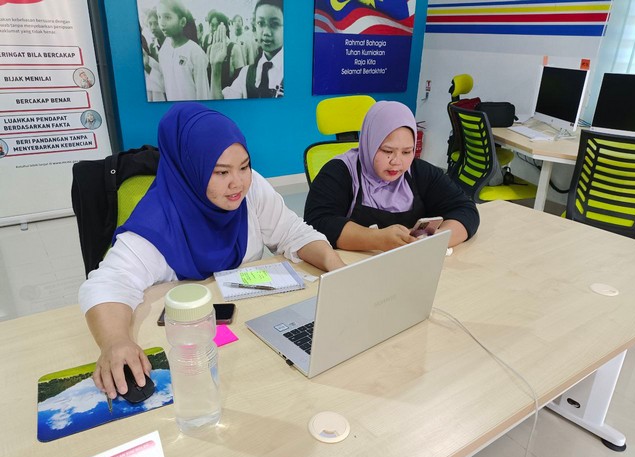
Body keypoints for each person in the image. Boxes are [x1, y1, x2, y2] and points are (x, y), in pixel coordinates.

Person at [79, 103, 345, 399]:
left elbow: (294, 232)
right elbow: (107, 285)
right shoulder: (155, 224)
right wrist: (116, 341)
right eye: (221, 172)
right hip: (188, 354)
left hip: (247, 340)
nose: (238, 183)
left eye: (244, 166)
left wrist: (340, 270)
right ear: (190, 170)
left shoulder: (251, 190)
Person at [304, 101, 480, 252]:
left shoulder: (420, 172)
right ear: (370, 143)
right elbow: (318, 222)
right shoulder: (339, 172)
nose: (397, 162)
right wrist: (377, 239)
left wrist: (437, 239)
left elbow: (465, 209)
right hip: (354, 267)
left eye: (407, 152)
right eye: (387, 151)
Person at [212, 0, 283, 99]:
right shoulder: (246, 74)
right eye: (260, 23)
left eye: (274, 24)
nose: (266, 32)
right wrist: (216, 67)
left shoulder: (295, 69)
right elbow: (222, 104)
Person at [156, 0, 209, 101]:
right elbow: (163, 84)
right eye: (159, 16)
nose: (161, 23)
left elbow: (203, 92)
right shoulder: (164, 49)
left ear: (182, 22)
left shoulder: (195, 52)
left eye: (167, 17)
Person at [204, 10, 245, 92]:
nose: (214, 29)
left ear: (225, 28)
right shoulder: (209, 49)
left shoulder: (234, 48)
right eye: (212, 25)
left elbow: (240, 77)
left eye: (218, 25)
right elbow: (207, 75)